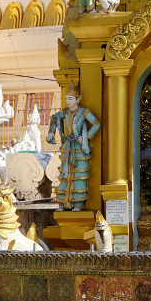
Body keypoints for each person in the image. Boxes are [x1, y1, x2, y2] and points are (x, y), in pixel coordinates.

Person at [46, 83, 100, 211]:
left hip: (80, 148)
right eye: (66, 99)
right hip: (68, 146)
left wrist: (86, 137)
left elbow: (96, 123)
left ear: (78, 99)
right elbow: (54, 119)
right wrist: (50, 133)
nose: (68, 101)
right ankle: (63, 202)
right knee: (65, 174)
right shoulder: (64, 112)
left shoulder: (84, 112)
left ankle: (78, 203)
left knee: (79, 175)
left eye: (70, 99)